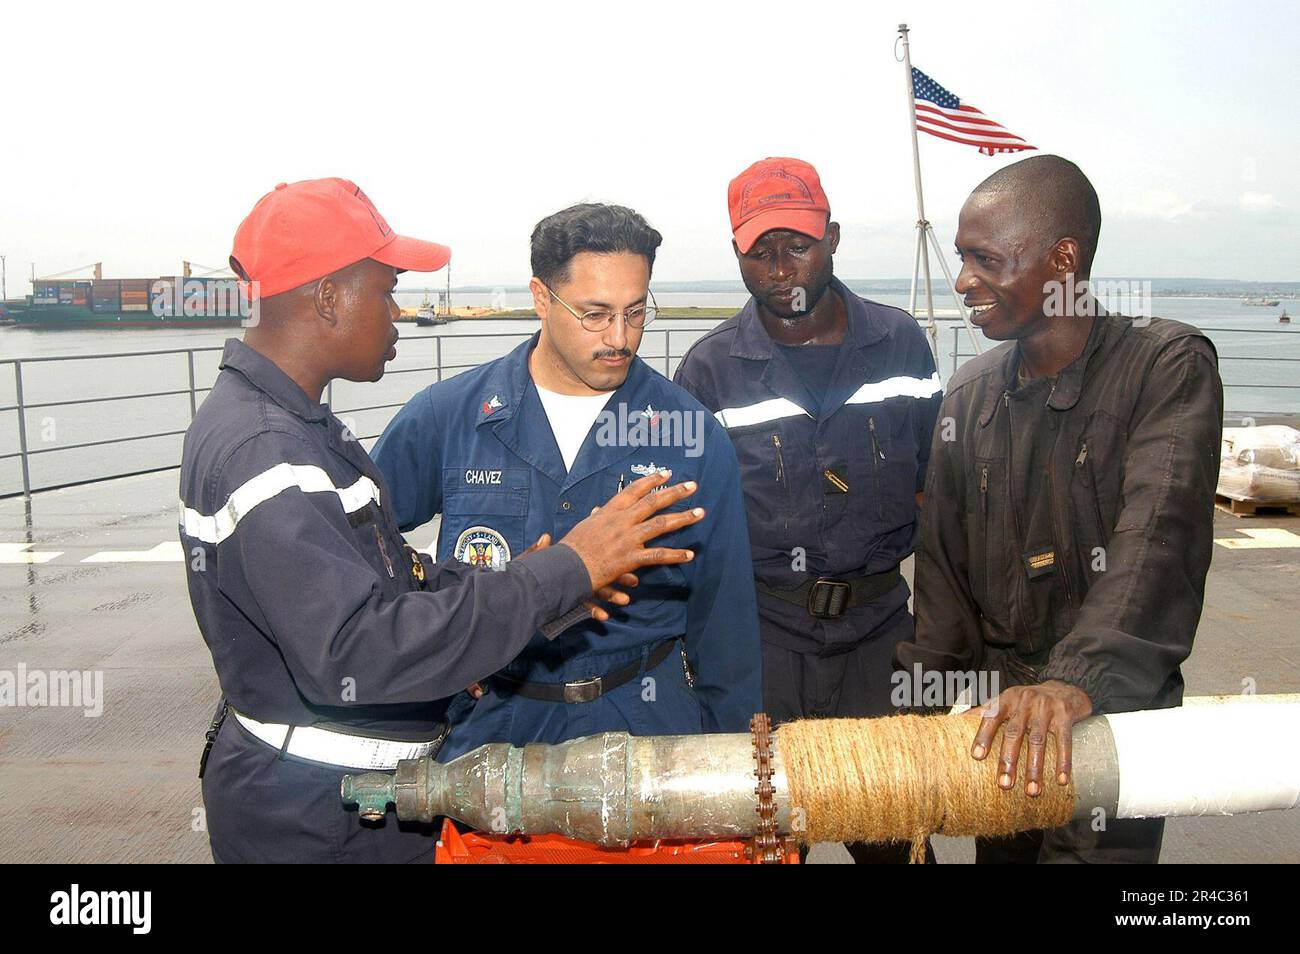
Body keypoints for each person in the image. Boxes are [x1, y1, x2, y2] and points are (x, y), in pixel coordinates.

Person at [181, 179, 705, 863]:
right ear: (329, 297)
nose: (398, 312)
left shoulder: (291, 428)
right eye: (387, 289)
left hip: (346, 809)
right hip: (318, 827)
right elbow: (359, 651)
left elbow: (391, 585)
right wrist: (565, 568)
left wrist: (540, 588)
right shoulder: (267, 453)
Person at [898, 155, 1224, 863]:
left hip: (1113, 714)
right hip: (1002, 724)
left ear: (1064, 260)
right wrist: (914, 719)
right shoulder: (970, 394)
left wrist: (1072, 682)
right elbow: (945, 579)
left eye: (986, 259)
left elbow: (1157, 545)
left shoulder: (1166, 367)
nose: (962, 282)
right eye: (961, 259)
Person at [373, 203, 762, 761]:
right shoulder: (447, 417)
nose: (621, 338)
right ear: (539, 297)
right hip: (493, 729)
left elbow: (727, 626)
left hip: (647, 729)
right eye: (596, 314)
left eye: (635, 312)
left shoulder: (693, 435)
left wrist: (738, 773)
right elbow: (364, 556)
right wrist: (447, 632)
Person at [673, 158, 942, 863]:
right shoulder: (708, 372)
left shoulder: (902, 345)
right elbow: (687, 536)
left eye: (797, 243)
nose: (780, 266)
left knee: (895, 844)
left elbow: (941, 497)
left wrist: (944, 645)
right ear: (737, 256)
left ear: (834, 239)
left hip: (882, 640)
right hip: (762, 647)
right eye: (759, 250)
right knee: (757, 849)